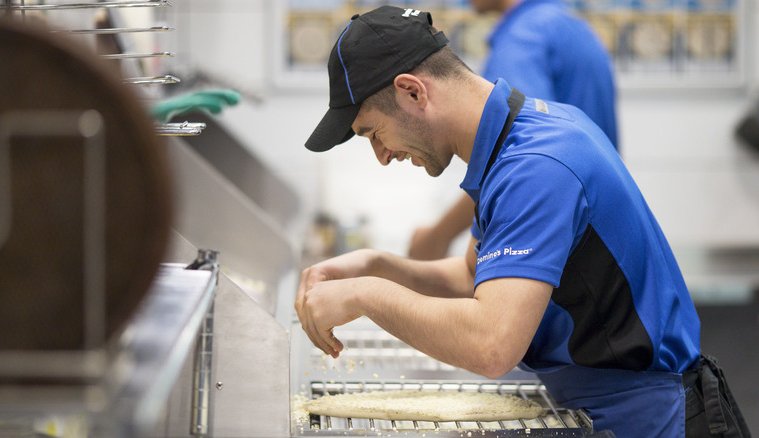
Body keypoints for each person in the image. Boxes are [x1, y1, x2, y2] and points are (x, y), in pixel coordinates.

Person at [298, 5, 750, 437]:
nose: (381, 156)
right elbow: (477, 275)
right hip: (602, 408)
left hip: (651, 419)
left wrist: (366, 295)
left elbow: (491, 345)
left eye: (373, 132)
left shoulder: (536, 166)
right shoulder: (512, 140)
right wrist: (379, 266)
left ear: (413, 91)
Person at [408, 0, 618, 261]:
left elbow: (522, 163)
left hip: (570, 255)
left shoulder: (522, 40)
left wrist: (439, 236)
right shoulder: (570, 26)